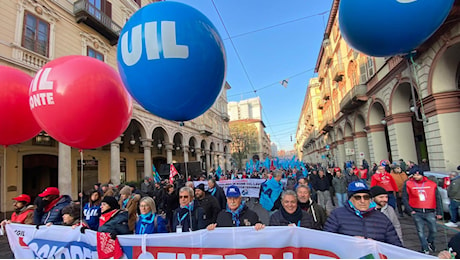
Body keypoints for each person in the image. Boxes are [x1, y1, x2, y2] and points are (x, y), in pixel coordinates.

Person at [324, 181, 402, 247]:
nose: (362, 201)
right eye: (358, 197)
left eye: (366, 197)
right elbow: (327, 241)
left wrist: (377, 245)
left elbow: (396, 245)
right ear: (350, 199)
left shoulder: (382, 218)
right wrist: (349, 242)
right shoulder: (337, 215)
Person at [402, 167, 442, 254]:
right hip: (417, 211)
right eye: (414, 175)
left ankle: (430, 242)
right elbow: (404, 197)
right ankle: (425, 248)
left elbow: (437, 198)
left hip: (430, 211)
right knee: (420, 232)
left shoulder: (431, 184)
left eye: (418, 174)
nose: (416, 176)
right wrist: (410, 210)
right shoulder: (408, 183)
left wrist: (439, 212)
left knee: (434, 230)